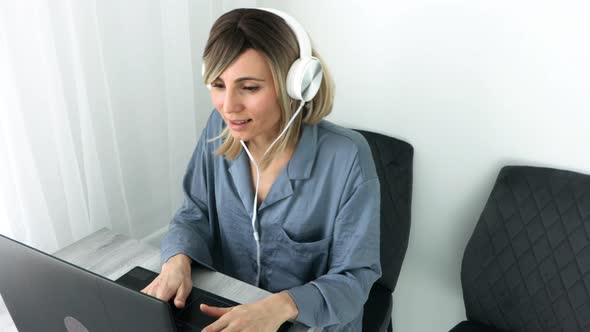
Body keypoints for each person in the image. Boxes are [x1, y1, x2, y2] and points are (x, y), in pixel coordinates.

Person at [141, 8, 381, 332]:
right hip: (227, 315)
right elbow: (194, 213)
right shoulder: (221, 128)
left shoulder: (348, 158)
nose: (229, 106)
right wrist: (177, 260)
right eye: (218, 84)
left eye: (249, 88)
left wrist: (281, 306)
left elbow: (354, 280)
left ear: (296, 85)